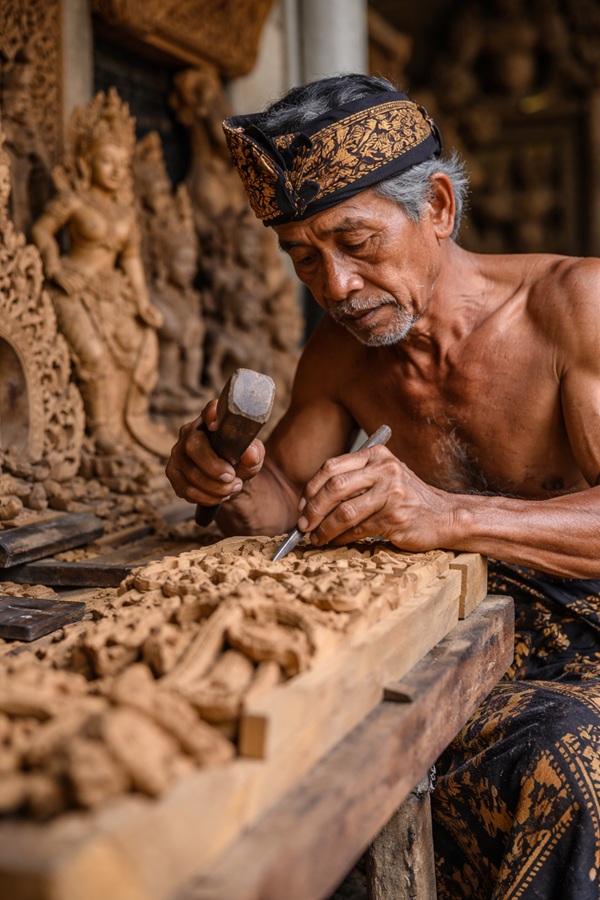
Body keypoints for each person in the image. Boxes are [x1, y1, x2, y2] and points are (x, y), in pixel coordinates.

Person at [166, 74, 600, 899]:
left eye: (355, 242)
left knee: (572, 767)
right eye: (302, 257)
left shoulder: (575, 308)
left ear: (436, 207)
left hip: (590, 653)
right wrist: (224, 480)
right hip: (463, 653)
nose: (332, 287)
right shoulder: (340, 357)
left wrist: (446, 515)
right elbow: (284, 510)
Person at [31, 88, 171, 459]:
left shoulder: (126, 214)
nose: (115, 170)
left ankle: (132, 422)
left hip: (115, 293)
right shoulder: (73, 200)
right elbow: (42, 231)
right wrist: (55, 267)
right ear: (87, 160)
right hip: (73, 285)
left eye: (121, 164)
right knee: (92, 354)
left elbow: (132, 260)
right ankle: (103, 430)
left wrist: (142, 303)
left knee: (146, 343)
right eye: (106, 161)